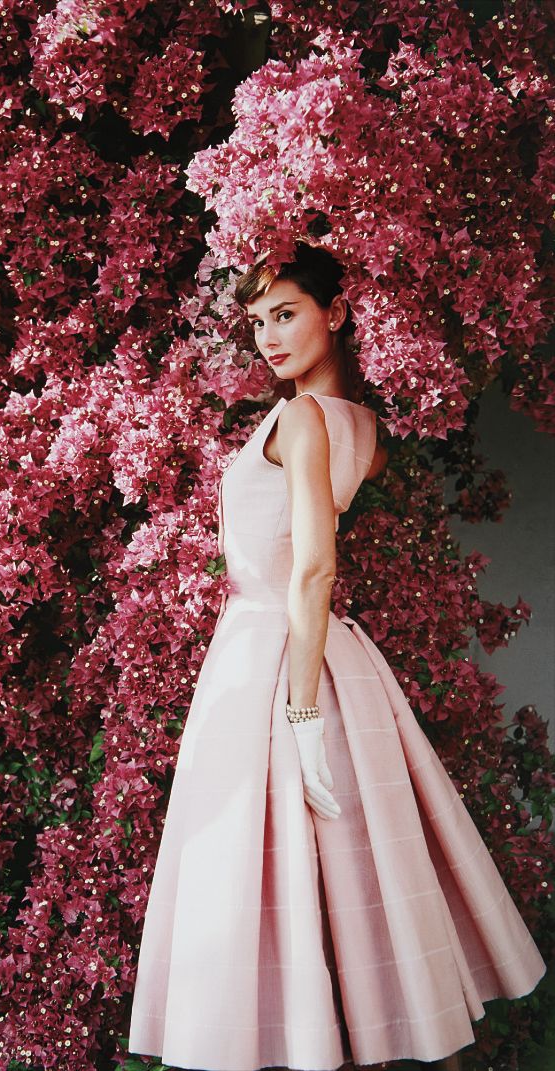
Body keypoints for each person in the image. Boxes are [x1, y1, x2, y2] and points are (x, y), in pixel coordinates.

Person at [127, 243, 546, 1071]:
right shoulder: (365, 428)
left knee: (274, 872)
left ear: (337, 313)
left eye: (285, 314)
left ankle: (307, 1043)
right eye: (257, 322)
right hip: (323, 654)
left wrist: (301, 710)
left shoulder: (301, 419)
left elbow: (314, 567)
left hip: (275, 655)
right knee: (355, 878)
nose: (268, 337)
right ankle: (392, 1038)